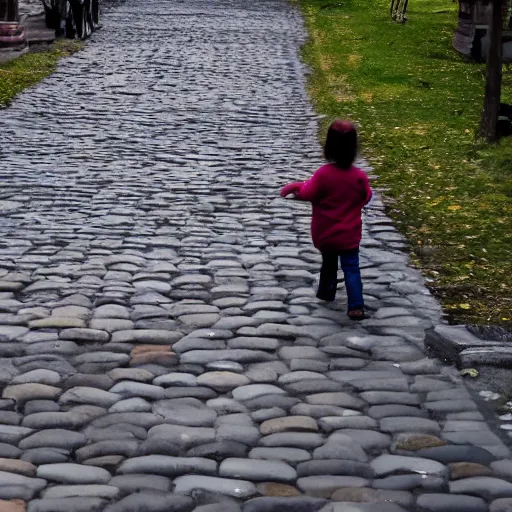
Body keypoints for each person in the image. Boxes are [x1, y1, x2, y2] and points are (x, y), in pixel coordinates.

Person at [280, 120, 372, 320]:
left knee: (329, 263)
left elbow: (308, 192)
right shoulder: (359, 177)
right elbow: (366, 196)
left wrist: (295, 187)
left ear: (328, 146)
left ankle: (326, 291)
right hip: (349, 235)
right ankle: (356, 305)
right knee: (351, 268)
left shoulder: (323, 174)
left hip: (327, 235)